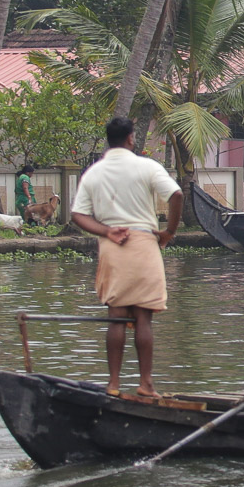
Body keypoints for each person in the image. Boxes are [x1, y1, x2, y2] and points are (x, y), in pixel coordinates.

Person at [69, 117, 183, 399]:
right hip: (144, 242)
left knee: (116, 316)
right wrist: (168, 231)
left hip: (113, 246)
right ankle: (146, 383)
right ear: (131, 138)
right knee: (143, 318)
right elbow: (176, 194)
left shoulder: (94, 173)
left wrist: (107, 231)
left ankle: (114, 384)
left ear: (109, 140)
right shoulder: (146, 166)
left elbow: (78, 215)